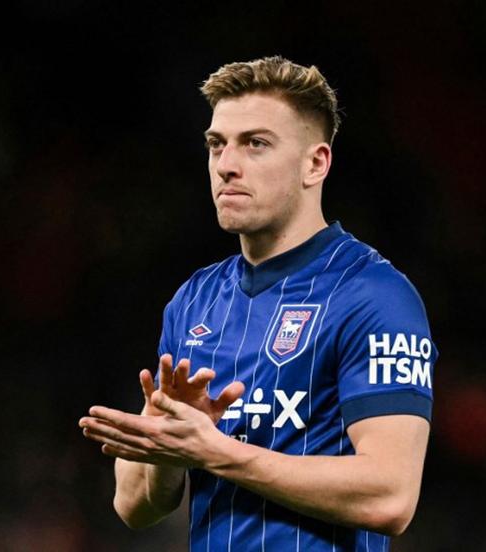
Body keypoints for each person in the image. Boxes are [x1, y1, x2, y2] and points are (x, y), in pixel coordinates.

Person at [80, 56, 437, 551]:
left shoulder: (374, 296)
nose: (226, 165)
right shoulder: (196, 300)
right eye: (216, 144)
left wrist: (215, 452)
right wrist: (171, 443)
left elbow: (390, 497)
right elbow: (134, 506)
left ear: (315, 164)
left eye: (256, 144)